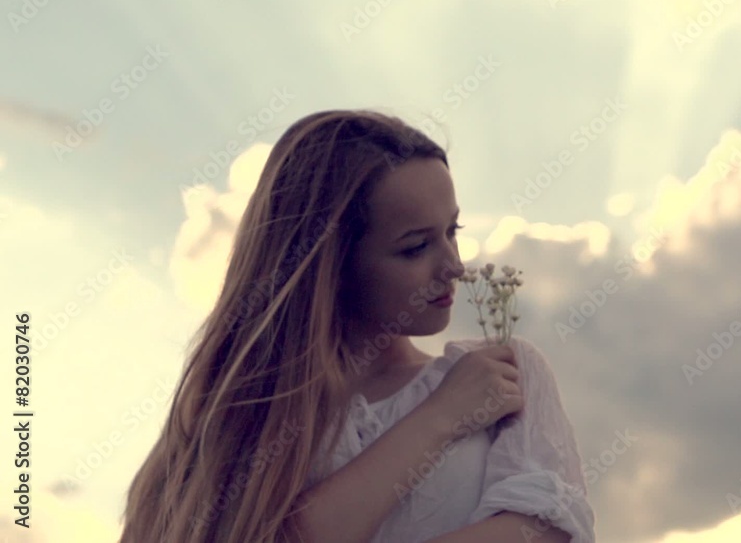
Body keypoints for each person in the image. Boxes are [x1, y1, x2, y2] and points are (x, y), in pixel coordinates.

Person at [118, 110, 595, 542]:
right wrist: (441, 416)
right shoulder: (237, 423)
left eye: (452, 231)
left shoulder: (506, 374)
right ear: (331, 266)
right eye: (415, 247)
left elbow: (546, 533)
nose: (454, 266)